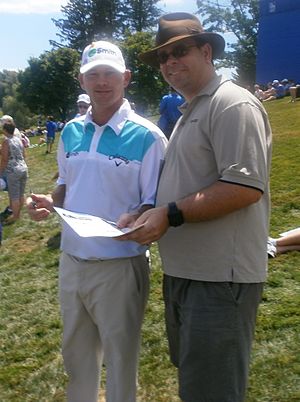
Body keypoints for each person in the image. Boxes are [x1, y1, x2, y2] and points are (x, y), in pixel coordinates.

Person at [117, 12, 272, 402]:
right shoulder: (192, 110)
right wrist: (148, 211)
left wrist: (169, 215)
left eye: (179, 52)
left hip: (220, 279)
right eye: (162, 58)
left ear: (206, 51)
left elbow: (243, 188)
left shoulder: (232, 105)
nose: (169, 63)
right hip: (188, 273)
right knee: (197, 381)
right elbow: (189, 184)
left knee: (212, 390)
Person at [26, 40, 167, 402]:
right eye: (93, 75)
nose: (101, 82)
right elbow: (64, 183)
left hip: (119, 263)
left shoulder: (148, 136)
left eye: (109, 74)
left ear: (126, 77)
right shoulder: (72, 130)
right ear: (82, 80)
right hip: (72, 260)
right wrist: (49, 200)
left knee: (121, 360)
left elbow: (156, 200)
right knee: (77, 357)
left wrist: (137, 214)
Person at [0, 121, 28, 223]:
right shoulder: (19, 140)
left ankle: (15, 216)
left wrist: (0, 171)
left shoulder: (6, 141)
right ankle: (18, 214)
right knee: (21, 194)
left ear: (5, 130)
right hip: (23, 168)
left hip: (13, 171)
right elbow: (24, 155)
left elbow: (4, 159)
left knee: (14, 196)